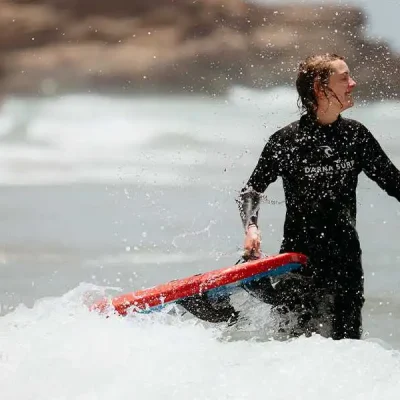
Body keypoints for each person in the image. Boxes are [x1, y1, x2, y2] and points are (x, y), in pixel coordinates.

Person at [236, 53, 400, 340]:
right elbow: (251, 190)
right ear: (319, 87)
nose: (353, 83)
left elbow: (395, 183)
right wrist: (251, 227)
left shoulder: (355, 136)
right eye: (343, 78)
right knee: (297, 345)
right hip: (298, 263)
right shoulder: (286, 141)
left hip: (346, 263)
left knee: (346, 346)